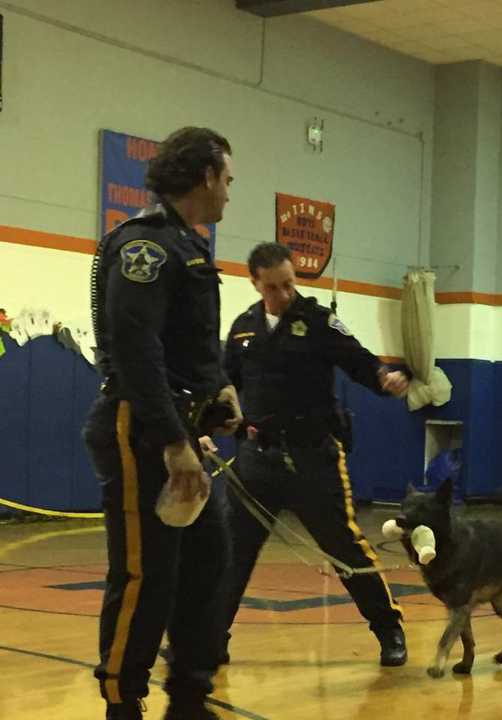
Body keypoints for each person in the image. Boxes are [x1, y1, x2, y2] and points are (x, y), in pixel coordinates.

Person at [83, 127, 242, 720]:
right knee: (145, 576)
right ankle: (123, 704)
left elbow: (186, 351)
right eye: (226, 179)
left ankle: (190, 699)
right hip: (141, 431)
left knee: (207, 563)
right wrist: (175, 439)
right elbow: (136, 353)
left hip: (181, 429)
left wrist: (217, 393)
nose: (229, 192)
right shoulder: (145, 247)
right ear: (204, 176)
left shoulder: (187, 245)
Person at [222, 242, 409, 666]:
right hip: (257, 459)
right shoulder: (242, 329)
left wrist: (384, 379)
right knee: (233, 549)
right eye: (273, 287)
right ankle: (209, 639)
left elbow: (359, 361)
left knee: (345, 546)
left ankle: (389, 629)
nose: (284, 294)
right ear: (255, 283)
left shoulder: (318, 320)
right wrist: (205, 428)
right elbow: (224, 383)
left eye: (289, 284)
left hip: (313, 456)